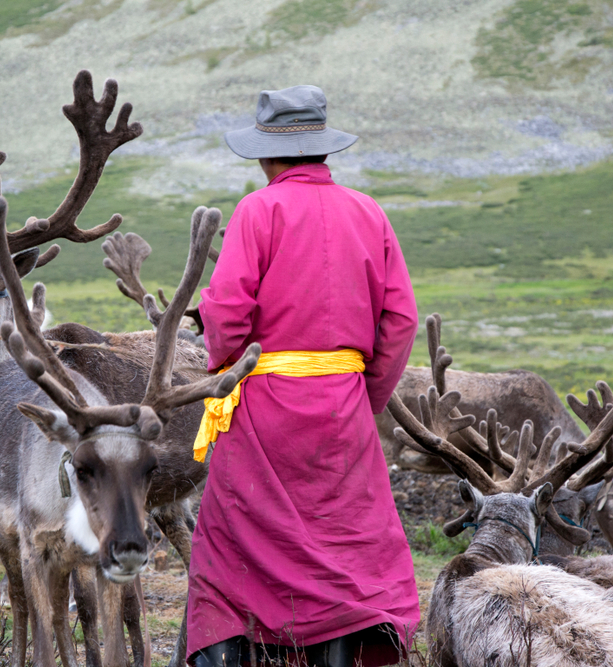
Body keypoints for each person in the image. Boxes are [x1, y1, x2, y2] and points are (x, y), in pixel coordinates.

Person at [187, 85, 420, 667]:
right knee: (349, 552)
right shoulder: (369, 211)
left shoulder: (258, 210)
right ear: (322, 151)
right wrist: (362, 400)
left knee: (230, 552)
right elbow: (400, 320)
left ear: (267, 155)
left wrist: (225, 368)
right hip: (344, 408)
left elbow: (228, 311)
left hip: (264, 406)